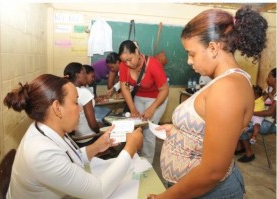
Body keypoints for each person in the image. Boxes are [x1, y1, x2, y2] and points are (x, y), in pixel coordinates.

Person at [147, 7, 268, 199]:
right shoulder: (224, 81)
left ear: (213, 48)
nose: (188, 61)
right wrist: (178, 131)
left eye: (192, 53)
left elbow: (213, 171)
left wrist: (165, 197)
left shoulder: (227, 88)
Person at [4, 74, 143, 199]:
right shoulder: (41, 153)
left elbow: (69, 159)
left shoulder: (46, 128)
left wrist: (96, 146)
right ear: (57, 108)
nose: (80, 108)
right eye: (76, 102)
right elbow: (99, 192)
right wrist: (130, 148)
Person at [118, 40, 169, 164]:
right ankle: (136, 157)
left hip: (157, 98)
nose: (127, 63)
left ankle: (147, 163)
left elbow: (164, 89)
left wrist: (152, 108)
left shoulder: (153, 64)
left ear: (136, 51)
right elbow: (124, 88)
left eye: (130, 59)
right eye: (124, 61)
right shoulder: (124, 65)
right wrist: (133, 109)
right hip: (139, 97)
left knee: (148, 130)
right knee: (136, 128)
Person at [237, 68, 276, 163]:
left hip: (270, 123)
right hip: (262, 117)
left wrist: (251, 112)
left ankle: (249, 153)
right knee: (237, 121)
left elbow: (269, 113)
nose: (267, 78)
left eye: (269, 76)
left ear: (275, 79)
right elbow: (259, 100)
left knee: (240, 128)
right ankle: (241, 147)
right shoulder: (269, 89)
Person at [64, 62, 102, 146]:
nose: (86, 76)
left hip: (74, 138)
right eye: (84, 73)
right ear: (77, 75)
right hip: (88, 138)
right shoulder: (83, 93)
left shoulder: (65, 90)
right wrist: (101, 130)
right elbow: (92, 124)